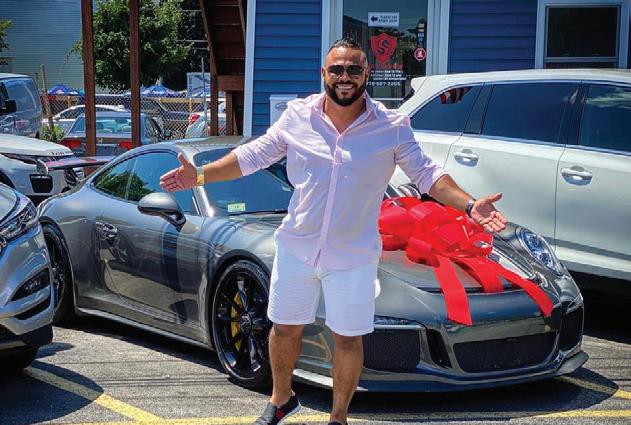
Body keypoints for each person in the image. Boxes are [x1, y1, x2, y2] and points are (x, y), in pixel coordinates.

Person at [159, 37, 507, 425]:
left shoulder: (392, 126)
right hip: (297, 246)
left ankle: (338, 418)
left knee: (347, 338)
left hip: (352, 255)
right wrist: (199, 176)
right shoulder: (298, 116)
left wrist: (470, 205)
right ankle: (281, 399)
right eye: (337, 69)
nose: (345, 77)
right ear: (324, 73)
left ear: (367, 74)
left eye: (354, 69)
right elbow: (252, 156)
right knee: (283, 328)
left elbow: (428, 174)